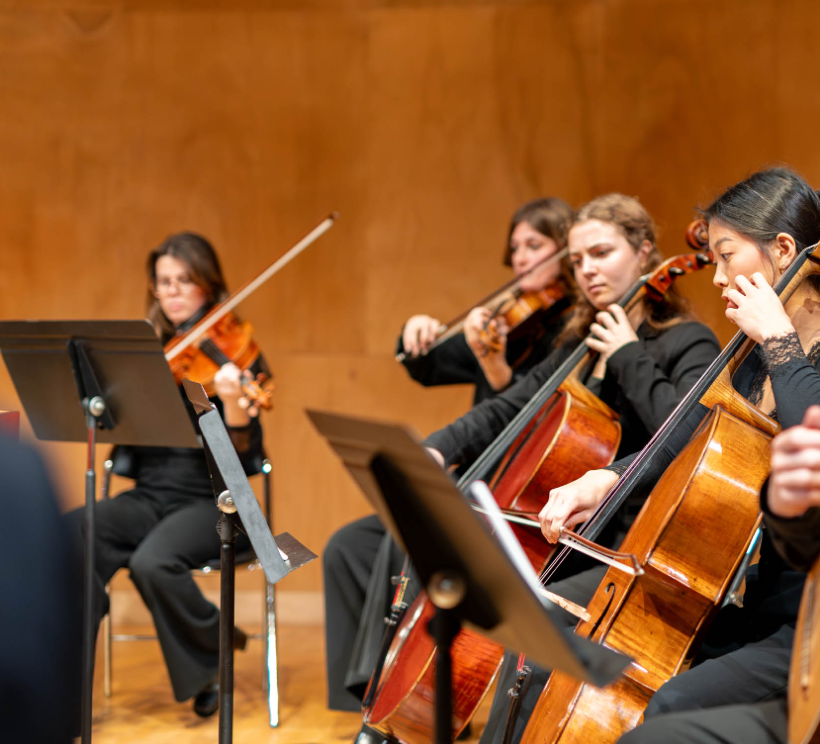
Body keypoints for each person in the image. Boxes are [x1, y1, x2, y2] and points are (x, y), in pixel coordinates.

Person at [526, 167, 820, 744]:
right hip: (736, 600)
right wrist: (606, 480)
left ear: (783, 250)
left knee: (670, 703)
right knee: (562, 657)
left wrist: (781, 342)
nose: (716, 277)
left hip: (801, 618)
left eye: (725, 256)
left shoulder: (777, 346)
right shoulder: (749, 353)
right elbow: (682, 435)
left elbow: (809, 433)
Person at [421, 193, 720, 744]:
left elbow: (688, 436)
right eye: (578, 259)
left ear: (645, 253)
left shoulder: (686, 341)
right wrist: (438, 446)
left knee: (526, 618)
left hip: (632, 546)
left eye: (601, 253)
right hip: (568, 533)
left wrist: (630, 354)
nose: (587, 270)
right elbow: (510, 406)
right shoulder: (579, 345)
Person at [324, 198, 575, 713]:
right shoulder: (507, 322)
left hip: (515, 493)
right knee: (347, 546)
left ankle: (399, 703)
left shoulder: (568, 330)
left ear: (566, 251)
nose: (522, 259)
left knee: (407, 540)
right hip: (468, 478)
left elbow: (524, 412)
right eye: (515, 249)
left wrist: (494, 365)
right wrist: (414, 332)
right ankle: (364, 699)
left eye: (535, 246)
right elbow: (425, 365)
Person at [66, 232, 269, 719]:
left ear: (208, 287)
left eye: (185, 281)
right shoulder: (149, 354)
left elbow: (242, 465)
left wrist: (233, 405)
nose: (173, 291)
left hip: (218, 502)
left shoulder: (233, 354)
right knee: (73, 535)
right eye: (164, 282)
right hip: (153, 496)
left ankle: (211, 658)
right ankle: (65, 689)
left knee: (153, 562)